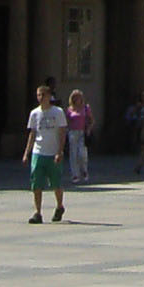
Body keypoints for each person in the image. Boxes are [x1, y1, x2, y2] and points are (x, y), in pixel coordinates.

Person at [23, 83, 70, 223]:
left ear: (49, 96)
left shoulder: (58, 112)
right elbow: (32, 134)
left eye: (43, 95)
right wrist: (27, 153)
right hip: (38, 152)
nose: (40, 97)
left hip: (53, 152)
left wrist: (60, 151)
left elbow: (62, 132)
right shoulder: (34, 113)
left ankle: (59, 206)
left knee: (56, 183)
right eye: (38, 95)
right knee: (36, 183)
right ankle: (38, 212)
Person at [65, 88, 94, 185]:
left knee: (82, 153)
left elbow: (91, 120)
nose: (78, 99)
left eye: (79, 97)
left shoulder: (85, 108)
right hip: (73, 132)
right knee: (73, 154)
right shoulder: (69, 109)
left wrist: (89, 128)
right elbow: (67, 121)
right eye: (76, 97)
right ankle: (75, 174)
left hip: (82, 132)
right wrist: (67, 130)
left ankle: (84, 169)